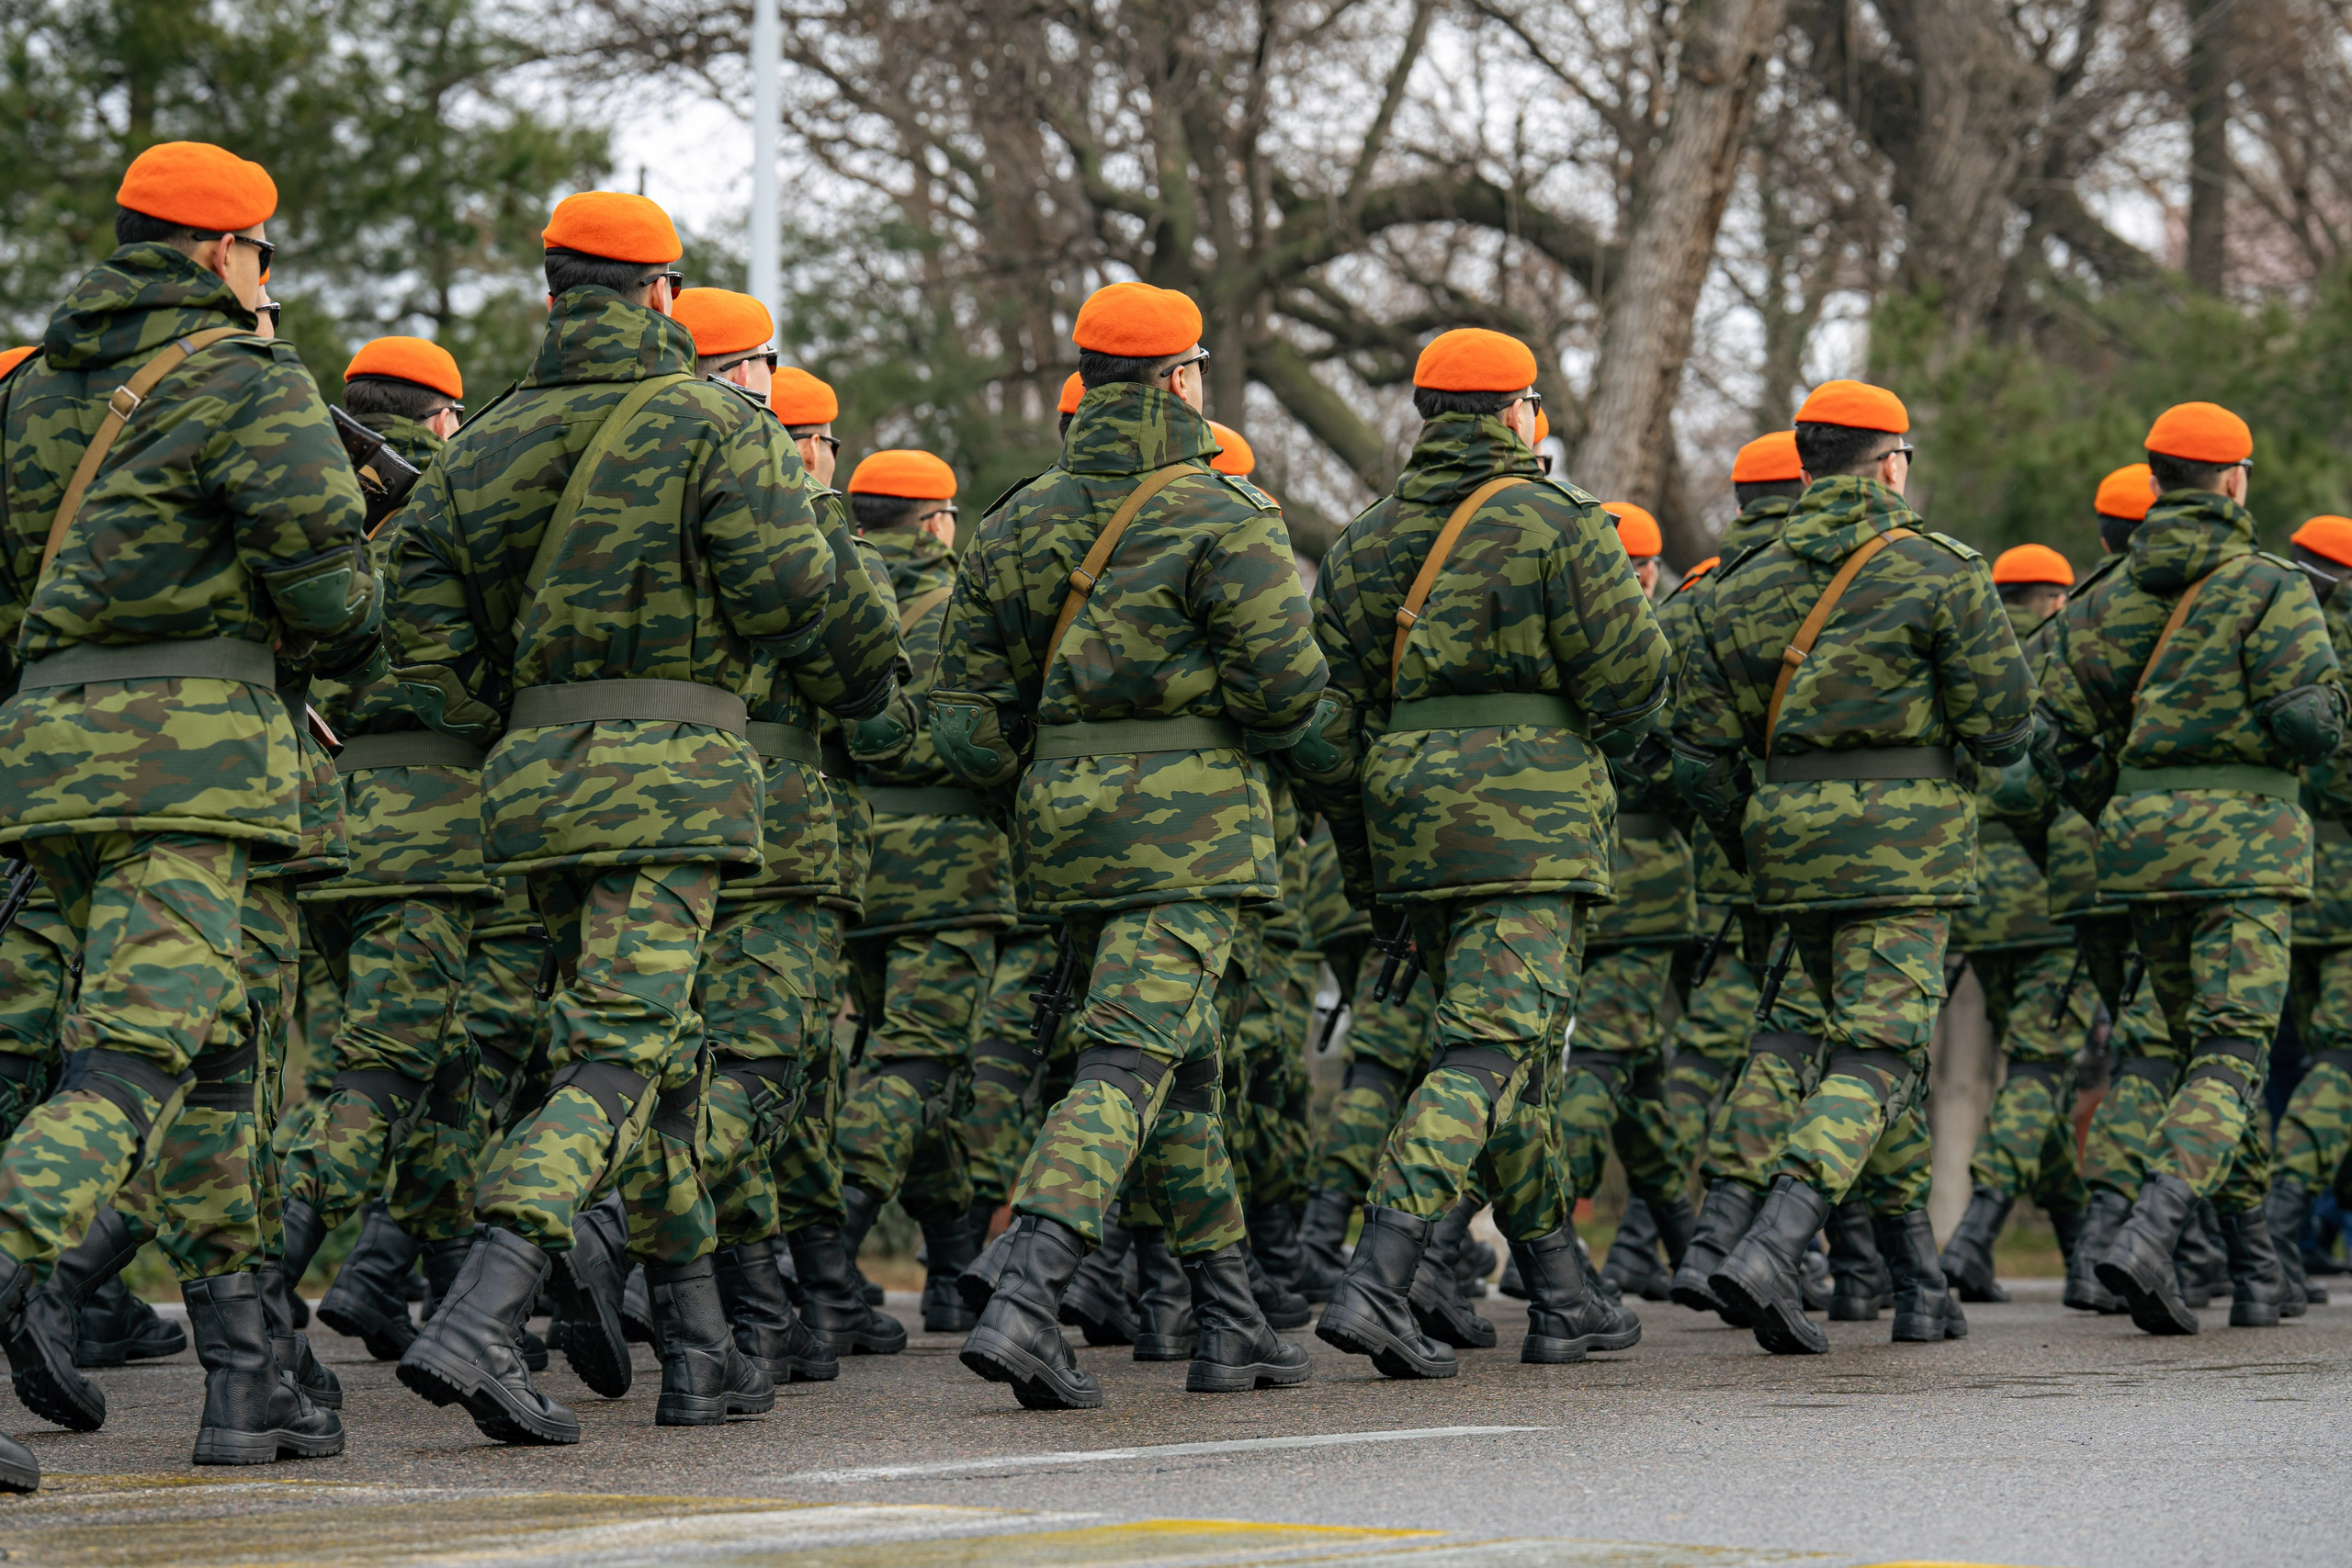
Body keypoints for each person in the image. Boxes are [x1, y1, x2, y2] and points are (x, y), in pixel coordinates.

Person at [387, 190, 910, 1443]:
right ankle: (486, 1303)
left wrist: (515, 714)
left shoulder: (484, 441)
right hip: (672, 777)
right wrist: (864, 688)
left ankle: (698, 1347)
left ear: (551, 291)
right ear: (663, 292)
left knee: (666, 1066)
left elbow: (418, 620)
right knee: (620, 1052)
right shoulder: (715, 424)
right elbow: (796, 597)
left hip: (533, 783)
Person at [0, 141, 378, 1483]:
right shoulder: (249, 381)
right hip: (194, 771)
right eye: (262, 254)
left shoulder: (29, 391)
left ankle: (245, 1378)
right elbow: (331, 595)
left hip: (48, 762)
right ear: (224, 250)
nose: (264, 277)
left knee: (214, 1060)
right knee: (136, 1055)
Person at [933, 279, 1324, 1408]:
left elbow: (965, 724)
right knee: (1125, 1065)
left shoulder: (1015, 520)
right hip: (1189, 838)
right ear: (1182, 380)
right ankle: (1028, 1290)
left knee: (1179, 1072)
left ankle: (1229, 1321)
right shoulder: (1224, 514)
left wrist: (1058, 781)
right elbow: (1286, 691)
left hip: (1064, 837)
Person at [1297, 326, 1667, 1378]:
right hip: (1530, 829)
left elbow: (1328, 730)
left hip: (1410, 825)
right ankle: (1377, 1280)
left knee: (1510, 1062)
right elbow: (1634, 679)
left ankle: (1560, 1292)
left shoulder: (1363, 541)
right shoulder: (1560, 521)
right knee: (1487, 1054)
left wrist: (1371, 861)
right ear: (1518, 413)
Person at [1681, 379, 2032, 1355]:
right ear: (1890, 466)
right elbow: (2005, 727)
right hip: (1904, 857)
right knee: (1875, 1055)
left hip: (1789, 858)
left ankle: (1918, 1282)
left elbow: (1699, 755)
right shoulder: (1939, 570)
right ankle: (1775, 1242)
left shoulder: (1737, 583)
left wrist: (1758, 836)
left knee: (1875, 1059)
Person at [2041, 401, 2345, 1336]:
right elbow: (2306, 724)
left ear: (2156, 480)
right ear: (2235, 480)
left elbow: (2053, 741)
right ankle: (2151, 1228)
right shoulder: (2270, 587)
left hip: (2140, 852)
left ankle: (2254, 1266)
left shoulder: (2098, 598)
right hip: (2245, 851)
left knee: (2200, 1058)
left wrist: (2130, 804)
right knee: (2232, 1051)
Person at [269, 336, 481, 1363]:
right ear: (442, 417)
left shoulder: (314, 496)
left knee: (425, 1065)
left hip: (323, 816)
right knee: (386, 1071)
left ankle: (396, 1279)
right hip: (432, 830)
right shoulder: (461, 500)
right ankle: (252, 1280)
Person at [830, 448, 1018, 1335]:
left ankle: (949, 1259)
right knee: (917, 1061)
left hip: (858, 860)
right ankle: (825, 1249)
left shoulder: (842, 597)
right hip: (951, 868)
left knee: (914, 1060)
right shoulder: (965, 611)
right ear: (939, 523)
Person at [1658, 432, 1840, 1322]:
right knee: (1828, 1045)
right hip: (1842, 855)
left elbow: (1681, 751)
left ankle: (1728, 1236)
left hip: (1736, 861)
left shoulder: (1701, 594)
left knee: (1755, 1044)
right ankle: (1779, 1243)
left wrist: (1741, 837)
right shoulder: (1844, 580)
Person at [1936, 543, 2090, 1301]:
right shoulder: (2071, 652)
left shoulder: (1977, 655)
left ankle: (2078, 1239)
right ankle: (1975, 1232)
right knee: (2040, 1067)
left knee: (2036, 1070)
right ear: (2057, 599)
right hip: (2051, 900)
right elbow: (2042, 787)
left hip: (1978, 902)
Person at [1559, 502, 1699, 1303]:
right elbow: (1684, 761)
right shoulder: (1649, 642)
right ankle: (1542, 1225)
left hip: (1565, 865)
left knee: (1638, 1073)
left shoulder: (1558, 630)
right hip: (1642, 882)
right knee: (1607, 1059)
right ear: (1641, 572)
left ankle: (1685, 1244)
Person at [2268, 512, 2352, 1310]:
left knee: (2283, 1063)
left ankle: (2279, 1242)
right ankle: (2282, 1222)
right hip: (2344, 887)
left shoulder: (2270, 620)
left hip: (2277, 871)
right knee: (2341, 1059)